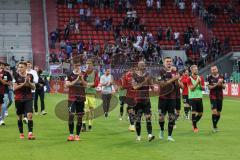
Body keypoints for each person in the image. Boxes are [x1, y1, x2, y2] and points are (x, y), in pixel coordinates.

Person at [132, 61, 155, 142]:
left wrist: (151, 84)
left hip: (146, 100)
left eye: (144, 65)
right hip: (137, 101)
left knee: (148, 118)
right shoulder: (134, 75)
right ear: (138, 66)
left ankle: (150, 135)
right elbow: (134, 87)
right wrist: (144, 82)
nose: (144, 66)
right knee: (138, 119)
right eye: (142, 65)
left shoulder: (148, 75)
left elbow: (152, 88)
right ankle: (138, 136)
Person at [158, 57, 180, 142]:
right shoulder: (160, 72)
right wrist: (172, 79)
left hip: (172, 98)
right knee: (161, 117)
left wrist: (177, 80)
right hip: (162, 97)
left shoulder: (175, 72)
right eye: (167, 61)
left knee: (171, 117)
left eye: (170, 61)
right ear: (164, 63)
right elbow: (162, 85)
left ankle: (170, 135)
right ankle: (162, 130)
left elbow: (177, 86)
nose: (169, 63)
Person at [65, 59, 87, 141]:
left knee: (80, 117)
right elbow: (67, 85)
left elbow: (85, 85)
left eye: (79, 65)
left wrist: (82, 79)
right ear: (73, 66)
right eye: (76, 65)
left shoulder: (84, 74)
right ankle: (71, 135)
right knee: (71, 115)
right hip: (72, 98)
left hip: (81, 98)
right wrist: (77, 79)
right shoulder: (69, 74)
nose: (77, 67)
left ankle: (77, 135)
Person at [13, 61, 36, 139]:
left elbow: (33, 87)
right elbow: (14, 88)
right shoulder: (15, 76)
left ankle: (30, 133)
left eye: (21, 67)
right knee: (20, 117)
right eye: (19, 67)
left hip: (28, 98)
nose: (20, 68)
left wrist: (28, 82)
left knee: (29, 115)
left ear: (26, 67)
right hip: (18, 98)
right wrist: (24, 84)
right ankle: (21, 133)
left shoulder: (30, 76)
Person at [82, 60, 99, 131]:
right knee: (85, 110)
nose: (88, 65)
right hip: (85, 93)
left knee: (91, 110)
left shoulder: (95, 72)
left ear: (92, 65)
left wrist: (88, 84)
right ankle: (83, 125)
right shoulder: (84, 73)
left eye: (89, 64)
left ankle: (90, 125)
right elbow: (82, 82)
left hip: (92, 94)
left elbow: (96, 83)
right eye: (87, 64)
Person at [207, 65, 225, 132]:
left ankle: (215, 124)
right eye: (212, 70)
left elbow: (224, 87)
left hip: (220, 96)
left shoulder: (221, 77)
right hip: (212, 96)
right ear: (211, 71)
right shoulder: (209, 78)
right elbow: (209, 88)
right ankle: (214, 127)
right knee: (214, 111)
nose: (214, 70)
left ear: (217, 69)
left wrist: (221, 83)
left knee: (218, 113)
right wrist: (217, 84)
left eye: (215, 69)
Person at [187, 65, 205, 133]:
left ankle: (193, 122)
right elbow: (191, 89)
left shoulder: (200, 78)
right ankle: (195, 127)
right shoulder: (189, 79)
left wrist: (200, 84)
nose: (196, 70)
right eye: (195, 69)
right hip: (192, 98)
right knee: (193, 112)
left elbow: (203, 88)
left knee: (200, 114)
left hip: (199, 97)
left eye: (197, 69)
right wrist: (197, 82)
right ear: (191, 70)